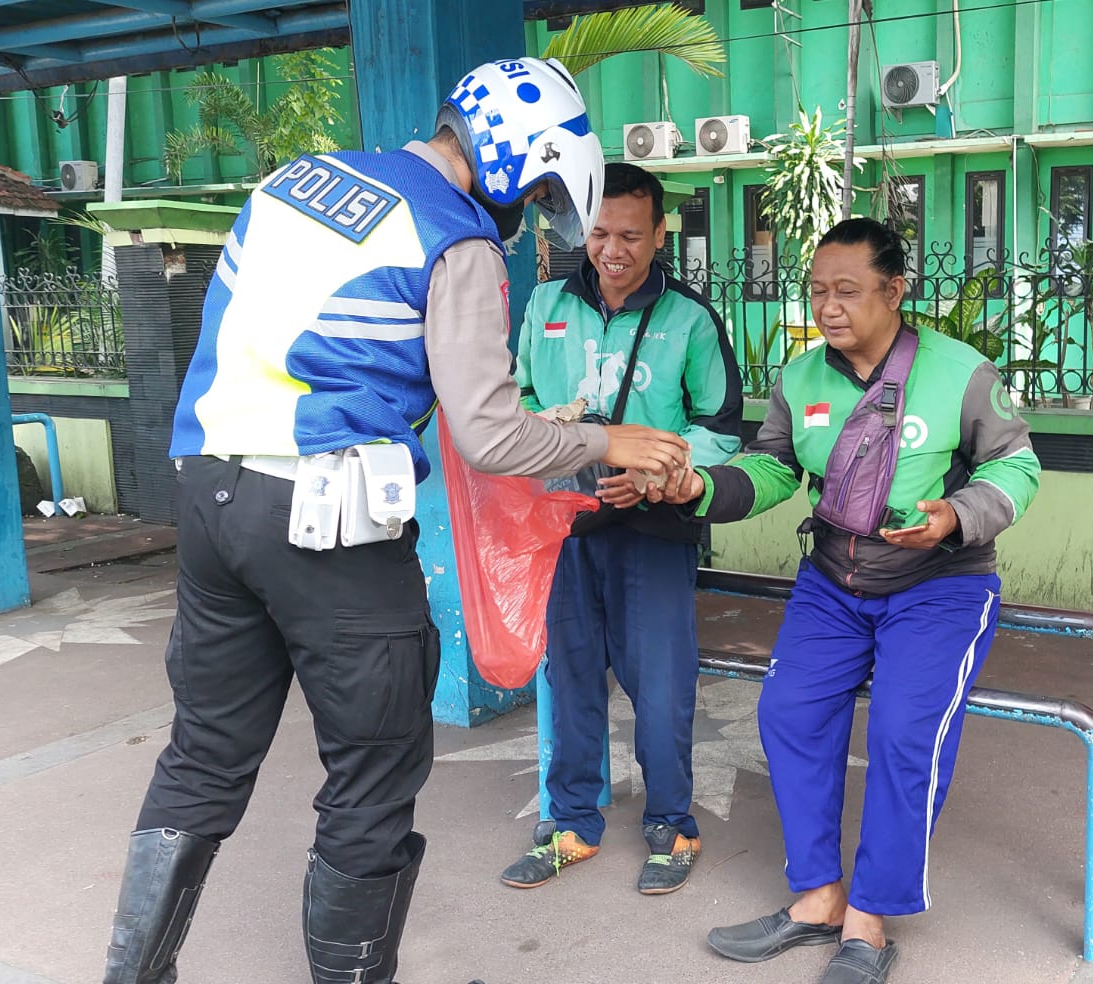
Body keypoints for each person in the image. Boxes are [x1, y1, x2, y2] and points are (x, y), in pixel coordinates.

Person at [100, 57, 692, 984]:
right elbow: (490, 432)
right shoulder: (456, 239)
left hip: (210, 498)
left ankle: (132, 973)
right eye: (539, 190)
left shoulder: (297, 179)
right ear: (515, 157)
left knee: (206, 753)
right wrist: (606, 441)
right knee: (374, 770)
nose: (531, 212)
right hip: (327, 528)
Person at [662, 218, 1041, 984]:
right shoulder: (800, 379)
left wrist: (955, 516)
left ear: (894, 291)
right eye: (817, 292)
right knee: (789, 713)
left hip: (939, 586)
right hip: (834, 581)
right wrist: (703, 486)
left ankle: (869, 920)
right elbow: (770, 470)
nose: (828, 307)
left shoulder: (959, 372)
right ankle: (817, 899)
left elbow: (1016, 464)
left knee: (905, 736)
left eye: (847, 291)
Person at [499, 162, 743, 896]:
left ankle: (673, 824)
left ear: (659, 233)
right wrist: (545, 432)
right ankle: (570, 822)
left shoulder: (691, 319)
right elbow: (522, 398)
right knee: (569, 677)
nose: (613, 249)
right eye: (600, 232)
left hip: (653, 529)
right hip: (563, 526)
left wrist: (663, 473)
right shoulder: (543, 302)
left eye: (631, 235)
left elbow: (722, 426)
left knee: (661, 685)